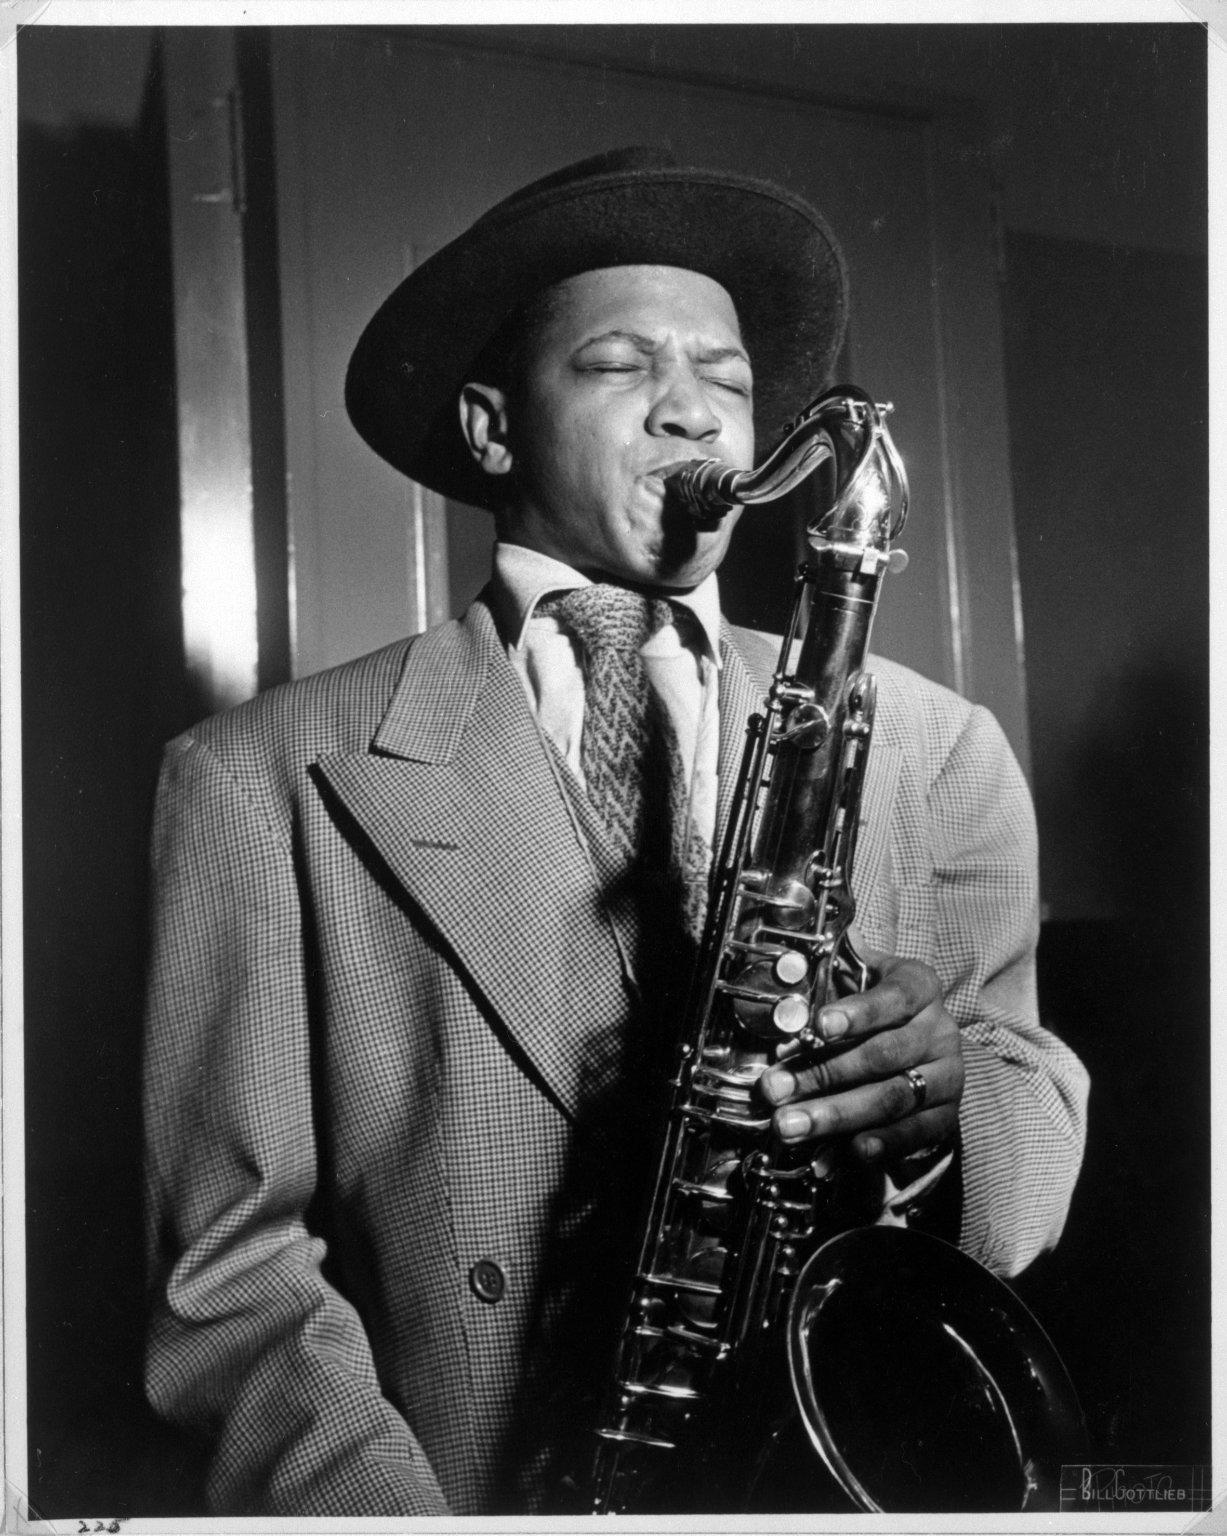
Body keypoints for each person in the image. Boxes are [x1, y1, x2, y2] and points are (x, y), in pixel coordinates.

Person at [142, 146, 1088, 1517]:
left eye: (726, 380)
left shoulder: (940, 749)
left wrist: (942, 1111)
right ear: (492, 429)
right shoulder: (255, 776)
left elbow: (1024, 1144)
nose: (694, 413)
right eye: (619, 365)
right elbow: (231, 1283)